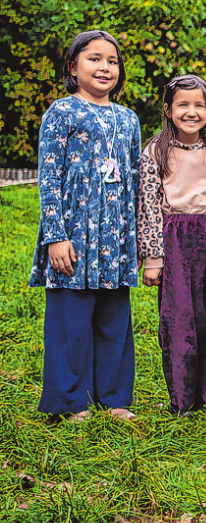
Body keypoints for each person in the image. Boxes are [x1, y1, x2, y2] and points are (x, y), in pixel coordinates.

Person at [30, 30, 139, 420]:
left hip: (115, 236)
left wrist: (135, 241)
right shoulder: (62, 112)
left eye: (112, 60)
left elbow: (133, 178)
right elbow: (49, 178)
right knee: (71, 322)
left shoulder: (127, 119)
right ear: (73, 69)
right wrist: (56, 236)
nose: (105, 67)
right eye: (94, 59)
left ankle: (113, 398)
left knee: (114, 320)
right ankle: (71, 400)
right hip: (74, 235)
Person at [138, 75, 206, 414]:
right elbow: (148, 205)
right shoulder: (156, 152)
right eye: (183, 104)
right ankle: (182, 397)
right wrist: (153, 255)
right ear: (168, 109)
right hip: (175, 239)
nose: (191, 111)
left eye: (199, 105)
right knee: (180, 319)